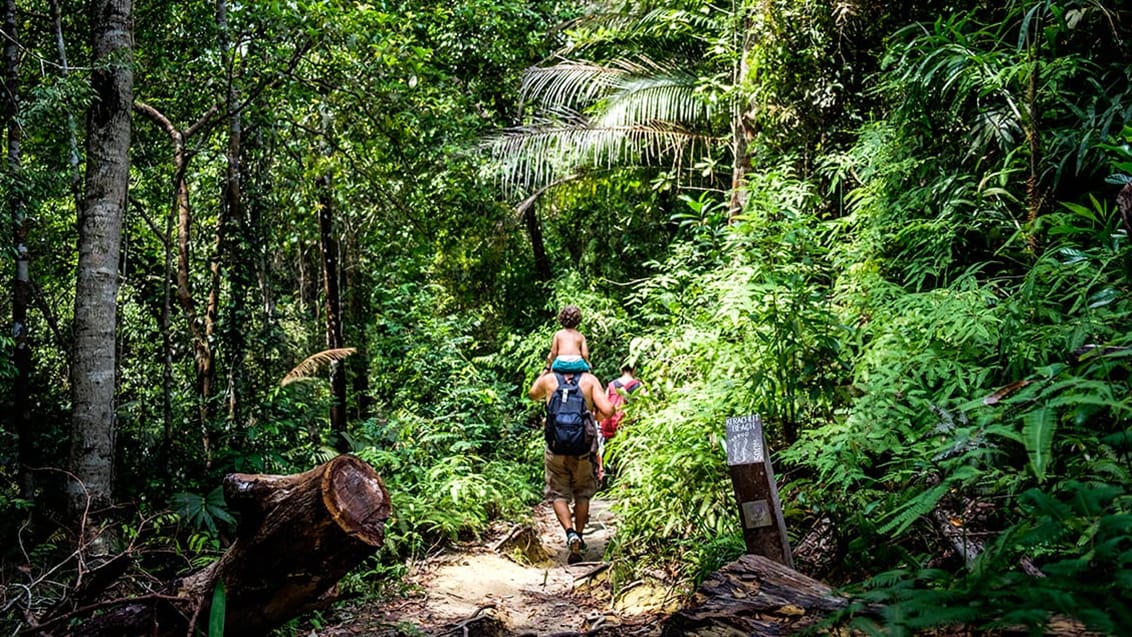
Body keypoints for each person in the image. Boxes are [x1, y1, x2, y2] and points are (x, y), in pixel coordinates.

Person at [529, 368, 612, 564]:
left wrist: (544, 371)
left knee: (558, 494)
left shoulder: (549, 380)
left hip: (555, 450)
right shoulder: (589, 381)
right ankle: (580, 536)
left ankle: (570, 533)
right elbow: (608, 410)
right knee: (582, 494)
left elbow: (532, 394)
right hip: (582, 450)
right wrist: (594, 416)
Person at [597, 364, 644, 483]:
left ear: (620, 369)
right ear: (634, 369)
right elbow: (644, 403)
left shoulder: (612, 385)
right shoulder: (638, 385)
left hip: (612, 425)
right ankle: (626, 482)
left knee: (612, 453)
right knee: (629, 453)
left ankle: (610, 479)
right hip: (630, 424)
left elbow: (605, 405)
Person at [543, 305, 590, 374]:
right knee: (590, 375)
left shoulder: (558, 334)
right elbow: (585, 354)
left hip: (561, 363)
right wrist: (588, 363)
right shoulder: (580, 336)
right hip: (577, 364)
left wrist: (549, 365)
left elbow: (553, 353)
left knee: (549, 373)